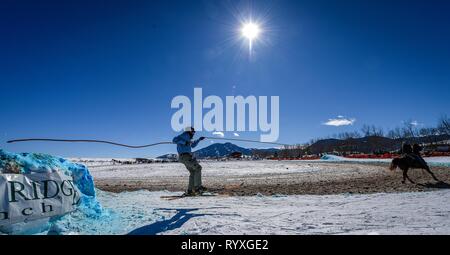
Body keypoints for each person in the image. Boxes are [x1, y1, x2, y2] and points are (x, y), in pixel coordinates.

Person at [172, 127, 207, 196]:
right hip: (185, 156)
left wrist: (199, 139)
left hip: (185, 157)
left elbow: (193, 145)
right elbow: (174, 140)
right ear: (189, 131)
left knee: (193, 172)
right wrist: (184, 142)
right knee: (198, 168)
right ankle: (198, 188)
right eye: (193, 132)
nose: (194, 133)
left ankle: (190, 190)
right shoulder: (184, 135)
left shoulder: (188, 137)